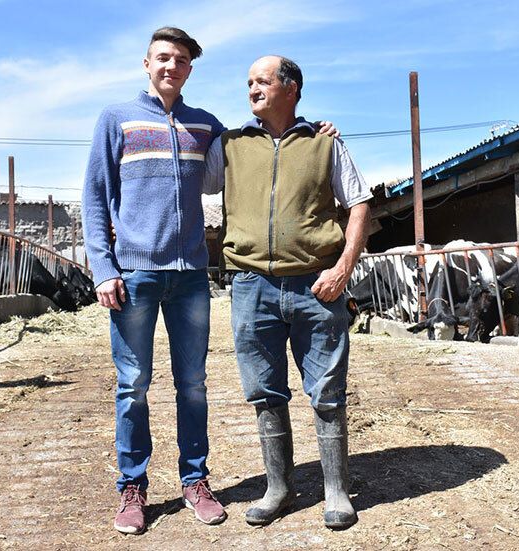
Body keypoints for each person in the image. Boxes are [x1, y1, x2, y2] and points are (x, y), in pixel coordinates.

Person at [82, 28, 338, 535]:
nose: (170, 66)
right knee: (133, 384)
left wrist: (315, 130)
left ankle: (195, 481)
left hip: (192, 275)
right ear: (146, 63)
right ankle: (132, 488)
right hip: (134, 273)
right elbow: (94, 196)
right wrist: (104, 268)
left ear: (190, 69)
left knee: (193, 385)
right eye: (162, 58)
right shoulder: (117, 119)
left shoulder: (206, 128)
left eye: (180, 59)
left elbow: (265, 144)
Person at [203, 55, 372, 530]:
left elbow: (358, 204)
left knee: (328, 392)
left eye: (261, 81)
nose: (252, 89)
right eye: (248, 83)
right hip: (251, 286)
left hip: (317, 286)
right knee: (264, 392)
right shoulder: (231, 144)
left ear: (291, 87)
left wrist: (344, 268)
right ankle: (278, 486)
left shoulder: (324, 144)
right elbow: (192, 175)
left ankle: (336, 489)